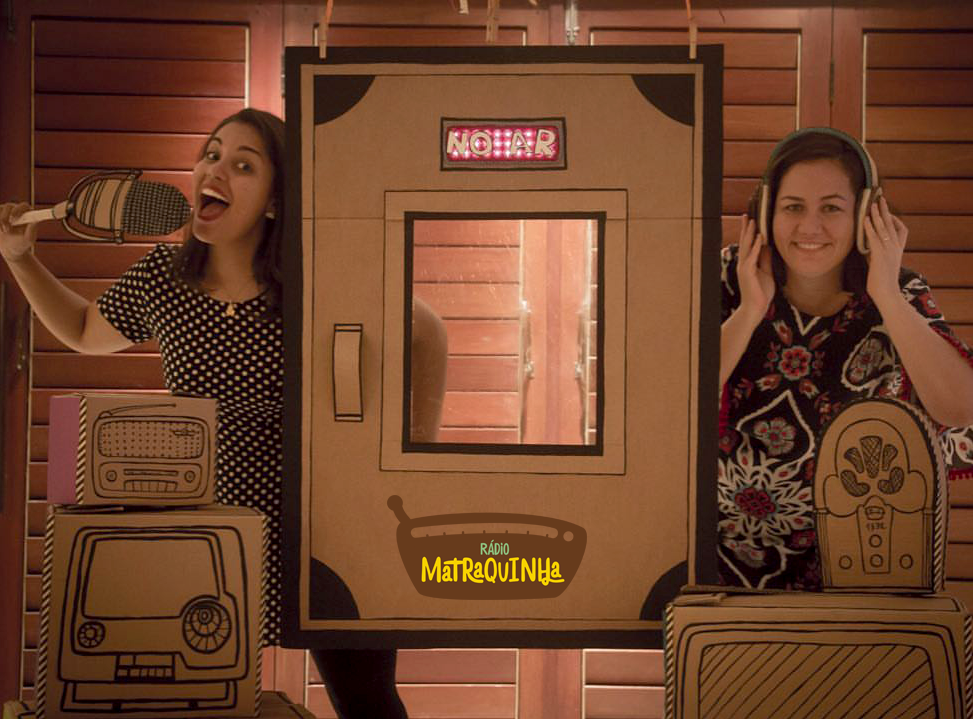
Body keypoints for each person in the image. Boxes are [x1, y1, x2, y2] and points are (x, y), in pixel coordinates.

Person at [0, 108, 408, 718]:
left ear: (276, 201)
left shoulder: (316, 283)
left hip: (326, 527)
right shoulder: (163, 278)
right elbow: (84, 330)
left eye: (243, 165)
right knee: (186, 694)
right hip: (204, 526)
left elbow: (408, 340)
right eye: (211, 155)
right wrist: (19, 258)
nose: (214, 170)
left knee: (367, 701)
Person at [718, 127, 973, 590]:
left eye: (832, 208)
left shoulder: (898, 289)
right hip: (721, 565)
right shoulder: (731, 278)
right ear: (767, 211)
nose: (810, 227)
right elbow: (670, 403)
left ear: (867, 216)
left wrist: (887, 295)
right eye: (793, 207)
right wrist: (750, 309)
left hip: (858, 565)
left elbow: (960, 406)